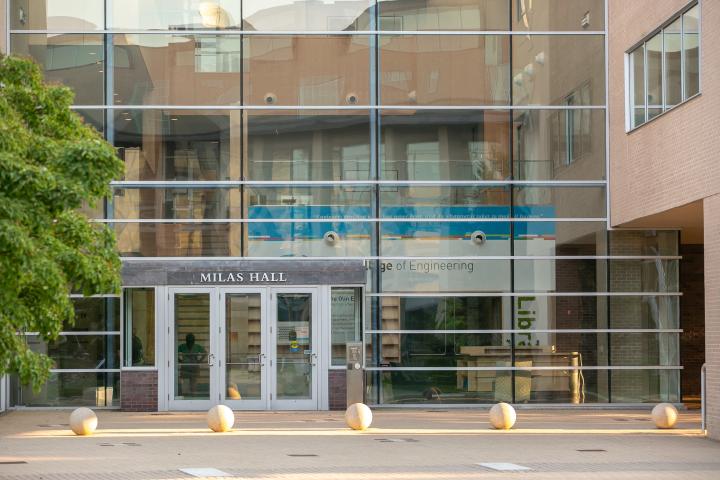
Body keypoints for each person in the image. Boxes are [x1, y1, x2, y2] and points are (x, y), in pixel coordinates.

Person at [178, 333, 206, 397]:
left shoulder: (197, 346)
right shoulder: (182, 346)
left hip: (194, 366)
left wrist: (199, 361)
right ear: (186, 340)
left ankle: (193, 394)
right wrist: (179, 360)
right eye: (188, 340)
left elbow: (205, 353)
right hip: (185, 366)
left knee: (194, 381)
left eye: (191, 340)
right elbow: (174, 352)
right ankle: (185, 395)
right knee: (185, 382)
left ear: (194, 340)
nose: (190, 341)